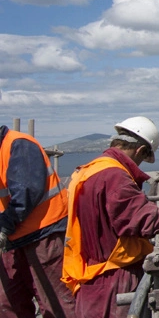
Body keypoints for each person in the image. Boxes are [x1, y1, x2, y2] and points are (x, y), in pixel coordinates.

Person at [60, 116, 159, 318]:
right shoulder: (115, 177)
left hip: (89, 278)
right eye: (142, 158)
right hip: (113, 280)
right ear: (139, 150)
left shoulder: (89, 170)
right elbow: (153, 221)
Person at [0, 125, 76, 318]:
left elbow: (26, 191)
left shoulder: (18, 145)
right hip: (12, 240)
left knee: (54, 301)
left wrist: (4, 226)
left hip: (43, 234)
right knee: (8, 304)